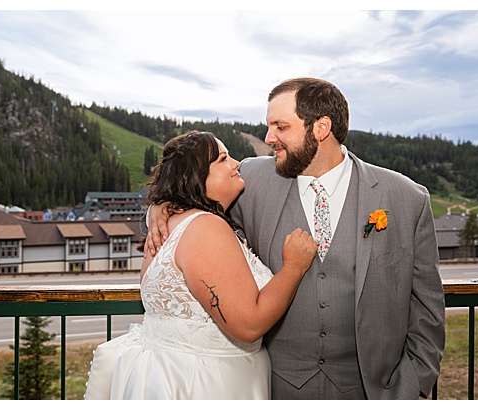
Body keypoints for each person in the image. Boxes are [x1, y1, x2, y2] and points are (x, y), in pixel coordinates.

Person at [145, 78, 445, 399]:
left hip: (372, 392)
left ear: (321, 128)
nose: (269, 138)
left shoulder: (406, 197)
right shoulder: (250, 178)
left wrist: (410, 389)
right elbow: (186, 204)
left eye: (280, 126)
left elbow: (427, 309)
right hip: (272, 387)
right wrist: (158, 208)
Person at [84, 131, 316, 399]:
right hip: (203, 382)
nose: (236, 164)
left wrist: (159, 206)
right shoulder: (205, 227)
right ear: (196, 176)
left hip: (165, 375)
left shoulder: (168, 223)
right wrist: (294, 267)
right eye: (223, 159)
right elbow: (249, 326)